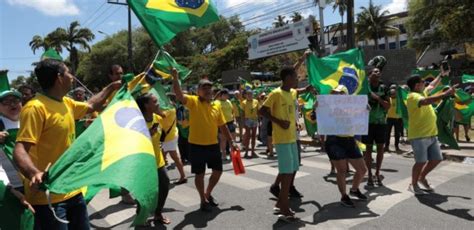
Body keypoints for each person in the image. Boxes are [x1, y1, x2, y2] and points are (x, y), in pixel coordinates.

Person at [13, 59, 120, 229]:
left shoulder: (66, 102)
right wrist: (34, 173)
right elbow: (20, 149)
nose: (72, 77)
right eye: (69, 72)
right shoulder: (35, 108)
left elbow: (91, 105)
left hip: (72, 189)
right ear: (59, 77)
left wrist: (112, 87)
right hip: (48, 198)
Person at [172, 69, 237, 212]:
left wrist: (232, 142)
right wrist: (175, 78)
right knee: (199, 174)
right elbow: (178, 94)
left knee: (218, 171)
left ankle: (208, 193)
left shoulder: (217, 105)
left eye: (209, 87)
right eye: (204, 88)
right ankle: (202, 199)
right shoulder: (193, 102)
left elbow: (222, 125)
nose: (208, 90)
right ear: (198, 92)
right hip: (196, 146)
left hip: (213, 145)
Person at [259, 66, 308, 222]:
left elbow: (299, 91)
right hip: (282, 139)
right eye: (295, 77)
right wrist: (279, 121)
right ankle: (284, 207)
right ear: (287, 78)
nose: (297, 80)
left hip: (293, 137)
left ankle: (280, 204)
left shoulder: (292, 92)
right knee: (286, 173)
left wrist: (309, 87)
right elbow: (262, 111)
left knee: (292, 170)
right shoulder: (275, 94)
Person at [317, 85, 368, 207]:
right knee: (342, 171)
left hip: (349, 140)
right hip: (334, 141)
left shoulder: (353, 106)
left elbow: (360, 119)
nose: (336, 95)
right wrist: (316, 109)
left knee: (362, 170)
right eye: (334, 93)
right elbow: (315, 119)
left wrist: (365, 109)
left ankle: (354, 190)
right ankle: (344, 196)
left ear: (345, 95)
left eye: (339, 93)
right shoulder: (326, 107)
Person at [406, 70, 455, 194]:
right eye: (422, 82)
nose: (425, 83)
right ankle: (414, 184)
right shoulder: (412, 96)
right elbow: (426, 101)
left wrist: (441, 75)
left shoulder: (422, 92)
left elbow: (432, 85)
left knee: (437, 159)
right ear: (416, 85)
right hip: (419, 136)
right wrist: (445, 94)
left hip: (432, 134)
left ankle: (422, 177)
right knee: (420, 161)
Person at [136, 93, 171, 225]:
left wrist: (163, 153)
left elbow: (160, 139)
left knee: (164, 185)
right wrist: (147, 135)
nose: (158, 104)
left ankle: (158, 213)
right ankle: (141, 217)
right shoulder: (137, 121)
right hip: (143, 163)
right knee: (144, 192)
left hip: (158, 161)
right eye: (155, 101)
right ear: (146, 105)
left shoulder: (157, 117)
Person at [362, 67, 389, 186]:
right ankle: (369, 175)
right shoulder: (364, 89)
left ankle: (377, 173)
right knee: (367, 149)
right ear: (369, 75)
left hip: (381, 123)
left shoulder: (384, 88)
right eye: (375, 71)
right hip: (367, 123)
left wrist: (377, 98)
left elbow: (388, 106)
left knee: (380, 149)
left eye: (379, 71)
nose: (378, 73)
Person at [161, 94, 187, 185]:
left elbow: (160, 116)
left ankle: (182, 176)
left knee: (171, 157)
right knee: (165, 157)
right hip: (170, 135)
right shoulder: (170, 107)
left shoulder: (168, 109)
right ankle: (182, 176)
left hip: (168, 137)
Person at [214, 89, 236, 160]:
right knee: (223, 140)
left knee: (232, 139)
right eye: (225, 95)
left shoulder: (229, 102)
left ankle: (232, 154)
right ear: (221, 95)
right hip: (222, 123)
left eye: (227, 94)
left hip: (230, 122)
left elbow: (232, 111)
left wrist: (234, 120)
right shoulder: (217, 102)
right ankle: (223, 154)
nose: (226, 96)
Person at [385, 88, 403, 152]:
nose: (392, 95)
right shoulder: (388, 99)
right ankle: (386, 146)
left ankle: (396, 146)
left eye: (394, 93)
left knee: (397, 134)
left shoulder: (399, 101)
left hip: (397, 119)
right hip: (389, 118)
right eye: (391, 93)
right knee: (387, 133)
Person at [242, 90, 259, 158]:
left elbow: (258, 110)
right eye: (248, 94)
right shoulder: (243, 102)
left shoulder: (256, 101)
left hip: (254, 119)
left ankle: (252, 151)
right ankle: (246, 152)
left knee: (254, 136)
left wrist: (259, 119)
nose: (249, 95)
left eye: (251, 94)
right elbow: (242, 113)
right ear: (246, 95)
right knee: (248, 136)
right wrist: (243, 122)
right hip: (247, 120)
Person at [176, 91, 190, 164]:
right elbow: (178, 120)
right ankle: (183, 158)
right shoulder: (179, 108)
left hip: (190, 129)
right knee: (181, 144)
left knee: (189, 144)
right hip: (181, 129)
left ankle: (189, 157)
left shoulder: (192, 106)